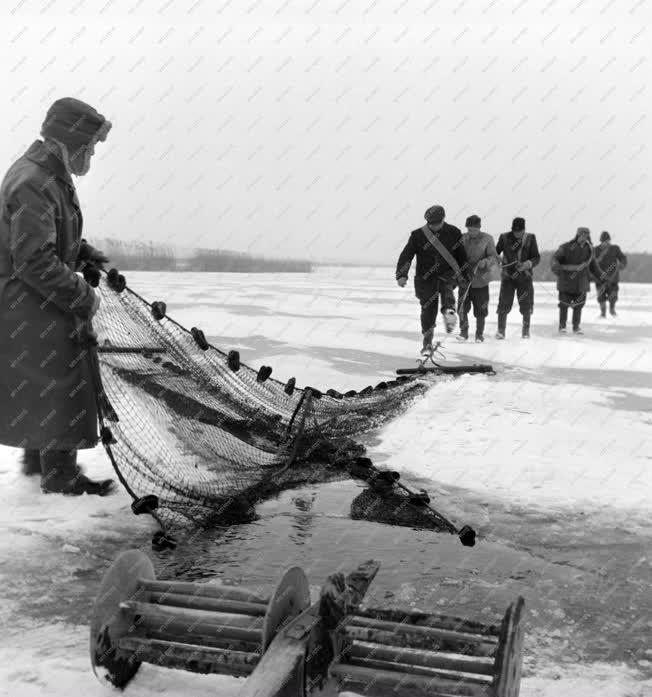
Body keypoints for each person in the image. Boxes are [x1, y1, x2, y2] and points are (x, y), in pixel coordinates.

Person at [0, 97, 114, 495]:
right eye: (92, 146)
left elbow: (42, 237)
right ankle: (60, 477)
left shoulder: (44, 173)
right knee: (63, 382)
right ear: (73, 140)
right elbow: (34, 259)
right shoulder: (36, 180)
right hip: (32, 302)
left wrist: (83, 252)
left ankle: (37, 460)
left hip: (27, 301)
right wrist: (85, 295)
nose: (93, 154)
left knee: (39, 383)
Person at [396, 204, 468, 353]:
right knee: (428, 309)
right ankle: (427, 343)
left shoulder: (454, 232)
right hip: (425, 277)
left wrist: (465, 274)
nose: (433, 226)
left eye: (436, 223)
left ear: (443, 220)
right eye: (430, 224)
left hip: (447, 273)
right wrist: (402, 274)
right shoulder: (417, 235)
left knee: (447, 288)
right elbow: (406, 255)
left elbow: (461, 256)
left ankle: (449, 312)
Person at [551, 227, 603, 335]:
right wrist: (559, 270)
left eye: (586, 235)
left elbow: (594, 266)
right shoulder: (565, 247)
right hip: (566, 281)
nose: (584, 237)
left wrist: (602, 277)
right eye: (582, 235)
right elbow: (554, 259)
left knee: (579, 305)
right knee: (564, 304)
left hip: (581, 282)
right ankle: (562, 326)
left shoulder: (590, 250)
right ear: (577, 235)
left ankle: (576, 327)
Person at [495, 217, 540, 339]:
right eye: (515, 231)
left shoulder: (530, 238)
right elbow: (495, 253)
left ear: (524, 230)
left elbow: (536, 257)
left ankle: (526, 332)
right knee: (503, 304)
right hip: (508, 277)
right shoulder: (504, 237)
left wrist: (527, 264)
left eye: (519, 231)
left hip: (525, 278)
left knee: (526, 305)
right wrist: (498, 260)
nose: (517, 234)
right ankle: (501, 331)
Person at [456, 214, 499, 342]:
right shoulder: (462, 238)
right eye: (469, 229)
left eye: (474, 230)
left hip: (481, 280)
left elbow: (494, 257)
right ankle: (464, 333)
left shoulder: (487, 239)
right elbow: (456, 255)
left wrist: (485, 262)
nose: (471, 232)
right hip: (464, 279)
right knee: (462, 307)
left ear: (479, 228)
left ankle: (479, 334)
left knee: (481, 309)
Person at [593, 231, 627, 317]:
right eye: (604, 241)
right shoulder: (595, 250)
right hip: (600, 279)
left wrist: (622, 264)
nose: (606, 243)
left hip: (613, 278)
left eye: (607, 241)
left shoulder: (615, 248)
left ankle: (612, 309)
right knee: (601, 297)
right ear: (601, 241)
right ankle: (603, 312)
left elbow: (622, 258)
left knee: (613, 296)